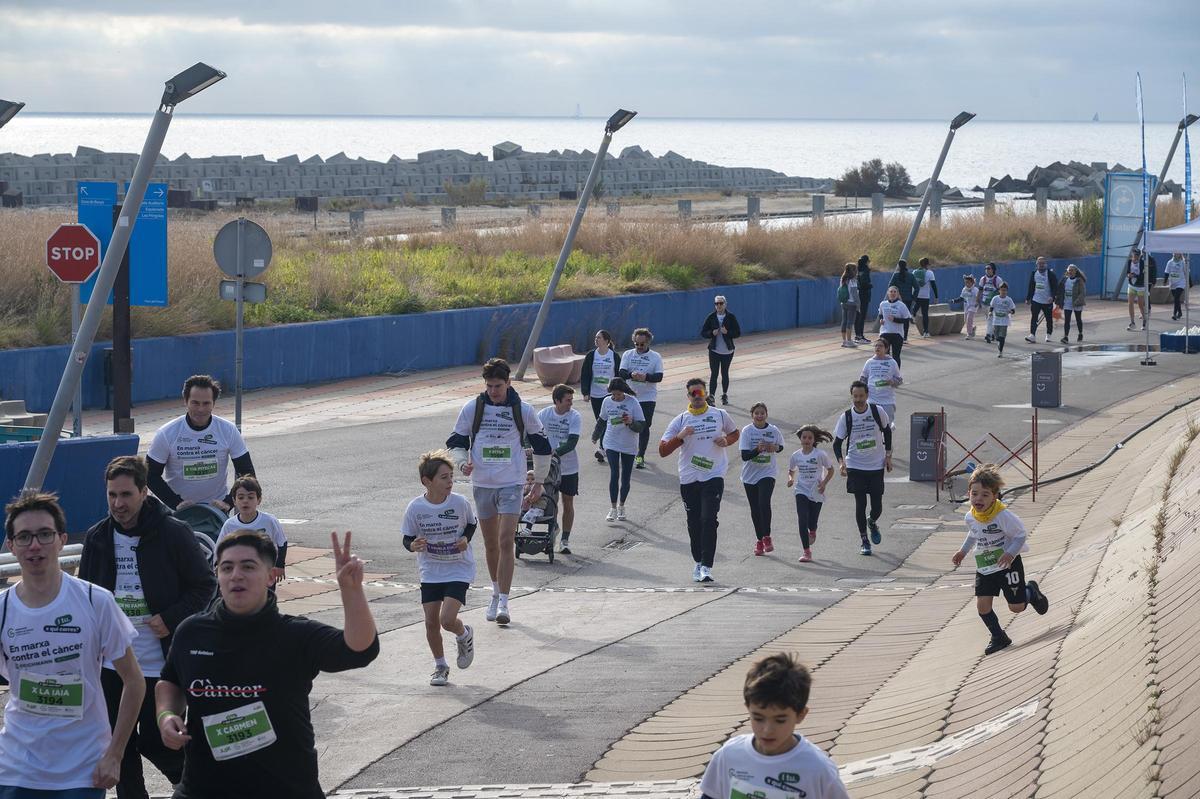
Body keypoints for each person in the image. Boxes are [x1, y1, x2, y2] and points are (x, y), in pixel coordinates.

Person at [155, 530, 379, 799]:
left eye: (248, 566)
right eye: (227, 567)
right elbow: (170, 682)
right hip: (203, 788)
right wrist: (166, 715)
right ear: (218, 576)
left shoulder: (295, 635)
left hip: (285, 789)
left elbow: (360, 649)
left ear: (271, 576)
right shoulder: (192, 632)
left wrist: (352, 591)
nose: (236, 575)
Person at [79, 456, 216, 799]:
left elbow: (205, 585)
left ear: (143, 492)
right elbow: (86, 596)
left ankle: (195, 787)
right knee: (118, 744)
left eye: (126, 494)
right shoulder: (97, 537)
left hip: (160, 661)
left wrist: (170, 617)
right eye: (112, 495)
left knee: (160, 741)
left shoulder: (173, 532)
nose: (118, 504)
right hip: (113, 664)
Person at [2, 491, 145, 798]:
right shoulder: (2, 610)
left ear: (62, 539)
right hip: (16, 768)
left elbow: (134, 681)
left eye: (44, 534)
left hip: (83, 770)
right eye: (24, 537)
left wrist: (115, 754)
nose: (35, 545)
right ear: (11, 546)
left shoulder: (96, 601)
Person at [446, 357, 552, 626]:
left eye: (498, 386)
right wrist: (461, 463)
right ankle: (494, 592)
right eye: (489, 386)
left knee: (506, 541)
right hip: (482, 483)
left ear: (508, 383)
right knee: (491, 544)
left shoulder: (524, 410)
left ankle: (505, 600)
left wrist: (538, 481)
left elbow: (542, 447)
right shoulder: (473, 408)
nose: (493, 391)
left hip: (511, 483)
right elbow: (456, 442)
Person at [698, 653, 848, 799]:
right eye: (758, 718)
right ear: (748, 708)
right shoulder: (729, 755)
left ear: (801, 714)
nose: (767, 730)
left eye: (780, 720)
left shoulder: (817, 768)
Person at [950, 465, 1049, 655]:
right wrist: (962, 551)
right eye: (975, 493)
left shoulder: (1003, 516)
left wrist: (1010, 553)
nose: (978, 499)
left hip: (1007, 564)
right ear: (969, 493)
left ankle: (1031, 592)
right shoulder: (970, 516)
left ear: (995, 496)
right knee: (982, 605)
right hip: (986, 567)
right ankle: (998, 636)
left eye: (985, 495)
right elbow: (973, 534)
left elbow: (1020, 535)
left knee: (1017, 607)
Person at [402, 450, 477, 687]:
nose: (450, 482)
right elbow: (407, 538)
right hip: (430, 569)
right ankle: (441, 666)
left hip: (458, 567)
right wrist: (413, 545)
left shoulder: (459, 503)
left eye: (451, 476)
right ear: (427, 481)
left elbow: (471, 525)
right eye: (444, 477)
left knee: (446, 620)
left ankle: (464, 634)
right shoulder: (415, 508)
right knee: (431, 622)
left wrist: (465, 538)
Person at [659, 379, 739, 583]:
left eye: (700, 392)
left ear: (705, 394)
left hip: (713, 476)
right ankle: (697, 561)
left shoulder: (719, 414)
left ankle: (706, 566)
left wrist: (726, 440)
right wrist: (680, 437)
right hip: (689, 478)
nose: (696, 396)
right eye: (693, 393)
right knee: (694, 523)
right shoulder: (680, 420)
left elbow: (734, 432)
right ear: (688, 396)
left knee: (708, 519)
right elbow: (663, 450)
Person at [147, 374, 255, 513]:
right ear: (185, 401)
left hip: (215, 513)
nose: (200, 409)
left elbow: (247, 472)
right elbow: (149, 475)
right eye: (195, 403)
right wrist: (176, 503)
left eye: (206, 403)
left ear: (214, 403)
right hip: (177, 513)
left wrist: (228, 502)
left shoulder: (228, 430)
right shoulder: (166, 433)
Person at [832, 381, 892, 556]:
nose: (858, 399)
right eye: (855, 396)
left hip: (876, 465)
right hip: (855, 465)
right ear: (851, 396)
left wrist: (888, 456)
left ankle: (872, 521)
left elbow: (887, 432)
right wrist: (841, 462)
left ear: (867, 395)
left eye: (861, 396)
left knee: (877, 506)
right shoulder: (846, 417)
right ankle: (864, 541)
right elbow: (837, 443)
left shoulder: (876, 411)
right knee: (860, 504)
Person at [217, 475, 288, 582]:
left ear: (259, 500)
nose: (245, 501)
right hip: (239, 573)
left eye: (250, 497)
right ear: (234, 501)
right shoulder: (229, 525)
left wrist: (280, 565)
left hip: (265, 572)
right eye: (241, 497)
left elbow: (282, 543)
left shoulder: (269, 521)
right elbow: (219, 548)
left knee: (265, 598)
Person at [537, 384, 581, 552]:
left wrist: (555, 453)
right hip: (549, 467)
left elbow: (572, 442)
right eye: (568, 400)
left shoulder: (574, 416)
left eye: (571, 400)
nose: (571, 403)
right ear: (557, 400)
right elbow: (532, 434)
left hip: (569, 467)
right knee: (551, 501)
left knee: (567, 502)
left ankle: (565, 540)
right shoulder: (544, 414)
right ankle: (553, 529)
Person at [594, 378, 645, 523]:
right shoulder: (607, 402)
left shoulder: (632, 402)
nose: (616, 397)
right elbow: (602, 420)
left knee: (626, 476)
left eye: (618, 395)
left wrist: (630, 422)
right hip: (611, 442)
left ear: (624, 391)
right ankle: (613, 508)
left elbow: (641, 425)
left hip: (629, 443)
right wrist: (595, 435)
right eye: (613, 395)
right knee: (614, 473)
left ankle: (622, 505)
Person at [739, 403, 784, 557]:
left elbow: (780, 447)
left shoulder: (773, 430)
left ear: (766, 414)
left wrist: (774, 448)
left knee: (764, 503)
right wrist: (757, 450)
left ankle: (767, 537)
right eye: (756, 413)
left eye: (762, 413)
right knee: (755, 508)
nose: (759, 416)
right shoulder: (747, 431)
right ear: (752, 415)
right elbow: (745, 456)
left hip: (767, 472)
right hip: (750, 475)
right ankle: (759, 539)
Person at [618, 327, 665, 469]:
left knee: (644, 426)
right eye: (636, 344)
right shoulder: (628, 354)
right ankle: (627, 451)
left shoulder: (655, 357)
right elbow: (621, 372)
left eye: (642, 344)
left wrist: (646, 377)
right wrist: (631, 375)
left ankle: (640, 455)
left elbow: (659, 377)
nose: (639, 347)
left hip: (647, 397)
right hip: (630, 396)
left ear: (648, 343)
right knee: (627, 424)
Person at [787, 425, 835, 564]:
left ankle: (812, 531)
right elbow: (791, 470)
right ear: (800, 439)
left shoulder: (820, 455)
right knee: (802, 519)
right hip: (801, 490)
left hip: (816, 491)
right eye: (804, 437)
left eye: (809, 437)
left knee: (812, 521)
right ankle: (806, 551)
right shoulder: (796, 455)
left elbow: (831, 470)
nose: (807, 440)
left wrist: (824, 483)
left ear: (814, 440)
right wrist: (790, 479)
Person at [579, 329, 617, 464]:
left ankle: (602, 448)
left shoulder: (614, 356)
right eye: (595, 337)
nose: (596, 340)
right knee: (600, 421)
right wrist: (585, 392)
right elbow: (585, 375)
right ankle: (607, 446)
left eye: (599, 338)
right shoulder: (591, 355)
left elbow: (619, 374)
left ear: (606, 341)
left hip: (610, 394)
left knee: (607, 421)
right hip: (595, 394)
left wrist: (619, 391)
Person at [700, 294, 741, 405]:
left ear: (725, 304)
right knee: (714, 373)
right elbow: (703, 332)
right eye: (716, 303)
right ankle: (712, 396)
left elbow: (738, 332)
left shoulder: (731, 317)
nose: (718, 305)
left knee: (724, 373)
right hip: (714, 350)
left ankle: (724, 394)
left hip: (727, 350)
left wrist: (727, 332)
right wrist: (711, 333)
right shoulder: (711, 317)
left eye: (721, 303)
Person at [858, 339, 903, 424]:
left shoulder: (892, 362)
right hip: (872, 400)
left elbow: (899, 380)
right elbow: (863, 379)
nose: (877, 347)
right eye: (876, 346)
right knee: (872, 425)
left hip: (887, 401)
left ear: (886, 349)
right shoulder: (869, 362)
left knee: (886, 425)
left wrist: (892, 382)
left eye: (880, 346)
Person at [1024, 256, 1058, 343]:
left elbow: (1055, 287)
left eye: (1043, 263)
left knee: (1048, 319)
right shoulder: (1034, 273)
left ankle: (1048, 335)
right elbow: (1031, 286)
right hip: (1036, 300)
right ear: (1037, 265)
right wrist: (1028, 298)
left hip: (1047, 301)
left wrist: (1052, 297)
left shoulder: (1050, 274)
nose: (1041, 265)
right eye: (1039, 263)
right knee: (1034, 317)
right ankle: (1032, 335)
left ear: (1046, 264)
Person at [877, 285, 913, 368]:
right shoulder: (883, 304)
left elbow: (906, 320)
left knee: (896, 356)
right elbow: (880, 314)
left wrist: (895, 319)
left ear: (897, 294)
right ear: (888, 293)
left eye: (894, 292)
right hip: (885, 332)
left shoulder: (901, 305)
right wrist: (881, 319)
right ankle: (885, 373)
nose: (892, 293)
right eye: (891, 292)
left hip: (897, 334)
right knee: (885, 355)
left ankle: (896, 375)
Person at [1123, 249, 1156, 331]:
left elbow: (1142, 275)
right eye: (1134, 256)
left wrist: (1134, 276)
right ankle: (1132, 322)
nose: (1135, 258)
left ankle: (1145, 321)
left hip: (1141, 286)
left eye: (1137, 256)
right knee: (1130, 303)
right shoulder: (1129, 262)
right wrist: (1128, 275)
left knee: (1140, 304)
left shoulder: (1142, 263)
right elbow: (1127, 272)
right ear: (1132, 256)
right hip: (1132, 285)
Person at [1054, 263, 1086, 344]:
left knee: (1078, 319)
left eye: (1072, 270)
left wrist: (1077, 301)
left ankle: (1080, 333)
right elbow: (1059, 290)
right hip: (1067, 303)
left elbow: (1082, 293)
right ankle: (1065, 337)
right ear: (1067, 271)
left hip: (1077, 303)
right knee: (1067, 320)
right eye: (1069, 270)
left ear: (1075, 271)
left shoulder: (1079, 280)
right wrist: (1057, 299)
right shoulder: (1064, 280)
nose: (1070, 272)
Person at [888, 259, 919, 340]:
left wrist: (893, 295)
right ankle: (904, 337)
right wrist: (913, 297)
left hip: (896, 300)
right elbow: (917, 288)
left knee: (895, 316)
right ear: (906, 266)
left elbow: (890, 286)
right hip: (908, 299)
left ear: (898, 266)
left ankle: (896, 334)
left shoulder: (895, 275)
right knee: (905, 318)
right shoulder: (911, 276)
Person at [912, 257, 939, 338]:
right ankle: (926, 332)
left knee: (916, 306)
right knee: (925, 314)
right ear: (927, 265)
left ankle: (912, 315)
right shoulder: (930, 273)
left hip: (916, 295)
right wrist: (936, 296)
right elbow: (933, 285)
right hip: (925, 296)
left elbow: (913, 284)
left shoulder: (914, 272)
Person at [990, 282, 1017, 357]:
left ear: (1007, 291)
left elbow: (1013, 310)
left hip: (1004, 321)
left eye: (1005, 290)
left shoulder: (1009, 300)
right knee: (996, 335)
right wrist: (990, 312)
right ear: (999, 290)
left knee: (1002, 336)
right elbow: (991, 307)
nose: (1003, 292)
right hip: (996, 320)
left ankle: (1000, 352)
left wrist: (1010, 311)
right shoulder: (995, 298)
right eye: (1002, 290)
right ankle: (998, 340)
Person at [979, 262, 1003, 344]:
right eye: (985, 268)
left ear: (993, 270)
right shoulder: (983, 279)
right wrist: (977, 300)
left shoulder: (998, 279)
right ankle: (993, 333)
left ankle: (988, 335)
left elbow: (1002, 291)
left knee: (990, 319)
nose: (987, 270)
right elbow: (980, 290)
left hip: (993, 303)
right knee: (989, 319)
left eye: (988, 268)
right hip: (984, 302)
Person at [837, 263, 860, 348]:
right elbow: (854, 294)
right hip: (851, 303)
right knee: (850, 322)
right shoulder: (852, 280)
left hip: (844, 303)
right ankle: (849, 341)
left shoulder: (843, 279)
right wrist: (858, 305)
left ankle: (844, 341)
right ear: (854, 270)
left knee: (844, 321)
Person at [853, 254, 873, 344]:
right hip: (864, 295)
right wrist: (870, 285)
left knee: (857, 316)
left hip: (858, 295)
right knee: (862, 316)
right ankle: (860, 336)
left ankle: (858, 335)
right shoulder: (865, 271)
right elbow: (864, 284)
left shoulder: (857, 270)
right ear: (866, 262)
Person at [1163, 252, 1189, 321]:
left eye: (1177, 252)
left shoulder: (1182, 262)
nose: (1175, 253)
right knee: (1176, 298)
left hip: (1181, 282)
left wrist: (1190, 282)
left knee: (1176, 297)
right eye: (1174, 252)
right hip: (1173, 283)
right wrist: (1165, 281)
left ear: (1180, 254)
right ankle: (1180, 312)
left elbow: (1186, 272)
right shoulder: (1170, 262)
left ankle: (1174, 314)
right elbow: (1166, 272)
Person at [959, 274, 980, 339]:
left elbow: (979, 296)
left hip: (973, 306)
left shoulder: (975, 289)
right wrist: (954, 301)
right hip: (966, 307)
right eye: (966, 283)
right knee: (966, 320)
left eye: (968, 282)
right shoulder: (964, 289)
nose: (967, 284)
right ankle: (972, 328)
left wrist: (977, 302)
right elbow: (961, 298)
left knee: (969, 319)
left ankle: (969, 334)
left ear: (972, 282)